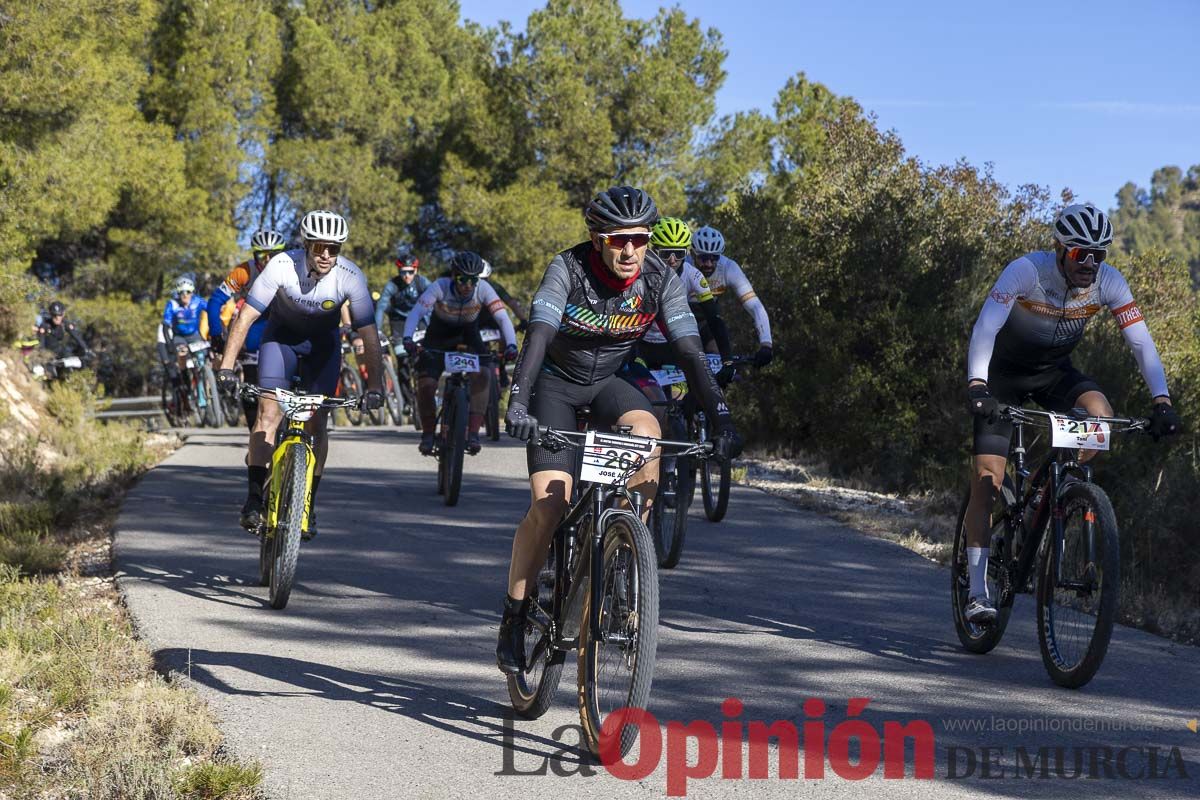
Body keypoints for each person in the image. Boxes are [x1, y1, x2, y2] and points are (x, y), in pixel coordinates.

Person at [495, 186, 742, 674]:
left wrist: (723, 418)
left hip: (610, 383)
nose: (630, 251)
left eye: (640, 239)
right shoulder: (567, 269)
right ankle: (515, 614)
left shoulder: (660, 280)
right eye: (617, 240)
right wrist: (518, 403)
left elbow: (692, 353)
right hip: (556, 387)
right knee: (551, 504)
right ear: (596, 238)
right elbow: (539, 337)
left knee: (650, 429)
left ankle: (625, 554)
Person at [963, 202, 1181, 623]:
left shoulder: (1109, 282)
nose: (1091, 263)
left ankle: (1054, 497)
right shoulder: (1026, 271)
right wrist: (977, 384)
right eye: (1082, 253)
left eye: (1100, 253)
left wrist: (1162, 401)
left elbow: (1141, 344)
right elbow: (985, 327)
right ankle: (976, 593)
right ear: (1060, 248)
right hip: (1004, 377)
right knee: (987, 482)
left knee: (1100, 413)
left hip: (1053, 375)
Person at [216, 210, 384, 540]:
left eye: (333, 249)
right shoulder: (281, 266)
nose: (326, 255)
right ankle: (253, 499)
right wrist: (225, 367)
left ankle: (309, 501)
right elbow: (245, 317)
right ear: (306, 244)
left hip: (324, 346)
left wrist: (375, 385)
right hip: (281, 341)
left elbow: (369, 336)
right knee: (267, 416)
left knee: (317, 423)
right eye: (320, 247)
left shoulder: (350, 276)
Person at [402, 251, 517, 456]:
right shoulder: (440, 286)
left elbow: (502, 318)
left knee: (484, 374)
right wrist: (408, 339)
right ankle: (428, 434)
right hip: (438, 336)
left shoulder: (483, 288)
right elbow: (416, 313)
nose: (467, 285)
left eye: (473, 280)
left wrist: (511, 345)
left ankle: (472, 433)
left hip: (468, 336)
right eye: (462, 279)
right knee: (426, 385)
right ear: (454, 275)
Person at [208, 229, 287, 427]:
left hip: (282, 326)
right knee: (252, 387)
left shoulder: (291, 269)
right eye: (262, 255)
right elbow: (214, 301)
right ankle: (255, 433)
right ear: (254, 255)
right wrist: (217, 335)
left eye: (274, 255)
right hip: (255, 328)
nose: (268, 260)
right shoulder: (244, 271)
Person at [687, 225, 773, 367]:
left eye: (714, 258)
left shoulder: (729, 268)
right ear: (693, 253)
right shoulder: (684, 265)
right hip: (681, 314)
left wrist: (766, 345)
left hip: (707, 318)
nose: (708, 263)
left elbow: (755, 307)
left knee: (716, 354)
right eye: (703, 258)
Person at [158, 277, 209, 388]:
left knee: (204, 356)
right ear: (178, 293)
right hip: (179, 337)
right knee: (182, 353)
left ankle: (207, 378)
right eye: (181, 292)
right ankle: (184, 373)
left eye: (188, 292)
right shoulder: (172, 304)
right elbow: (165, 326)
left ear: (192, 292)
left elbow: (212, 310)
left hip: (194, 335)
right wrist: (170, 345)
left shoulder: (198, 301)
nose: (185, 295)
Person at [375, 253, 432, 342]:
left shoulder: (422, 282)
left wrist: (432, 326)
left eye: (410, 272)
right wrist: (377, 330)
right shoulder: (392, 285)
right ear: (398, 271)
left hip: (418, 317)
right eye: (403, 272)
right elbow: (381, 306)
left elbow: (434, 303)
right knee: (401, 352)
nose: (407, 276)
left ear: (416, 270)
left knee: (426, 350)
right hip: (398, 319)